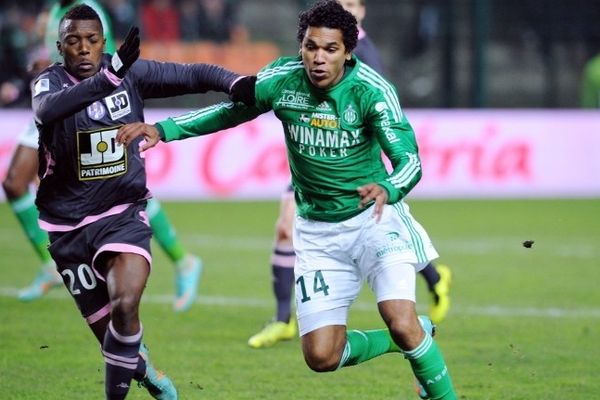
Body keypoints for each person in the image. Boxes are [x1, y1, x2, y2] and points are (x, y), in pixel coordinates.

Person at [117, 1, 457, 398]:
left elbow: (410, 161)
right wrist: (164, 129)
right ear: (301, 48)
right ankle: (414, 335)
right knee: (321, 356)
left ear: (348, 51)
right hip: (318, 233)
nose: (318, 57)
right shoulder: (284, 80)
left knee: (399, 317)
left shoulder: (371, 90)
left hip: (376, 221)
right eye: (311, 47)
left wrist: (389, 188)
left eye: (330, 49)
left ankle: (432, 372)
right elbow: (230, 111)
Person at [31, 4, 254, 398]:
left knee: (125, 304)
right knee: (119, 346)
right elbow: (49, 111)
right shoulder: (48, 85)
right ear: (59, 47)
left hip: (122, 214)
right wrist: (108, 77)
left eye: (92, 40)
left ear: (104, 43)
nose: (83, 49)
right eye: (73, 42)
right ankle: (147, 372)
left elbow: (194, 74)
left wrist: (234, 82)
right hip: (67, 230)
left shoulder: (129, 74)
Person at [246, 0, 452, 351]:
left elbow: (374, 110)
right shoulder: (321, 44)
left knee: (378, 249)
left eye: (352, 3)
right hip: (313, 160)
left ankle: (431, 278)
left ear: (363, 11)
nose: (346, 7)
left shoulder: (364, 56)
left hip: (348, 168)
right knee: (285, 228)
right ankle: (284, 318)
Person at [4, 0, 203, 313]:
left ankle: (183, 259)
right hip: (56, 101)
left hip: (95, 107)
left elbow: (105, 66)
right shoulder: (54, 12)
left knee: (114, 182)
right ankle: (49, 265)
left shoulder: (88, 11)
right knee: (15, 182)